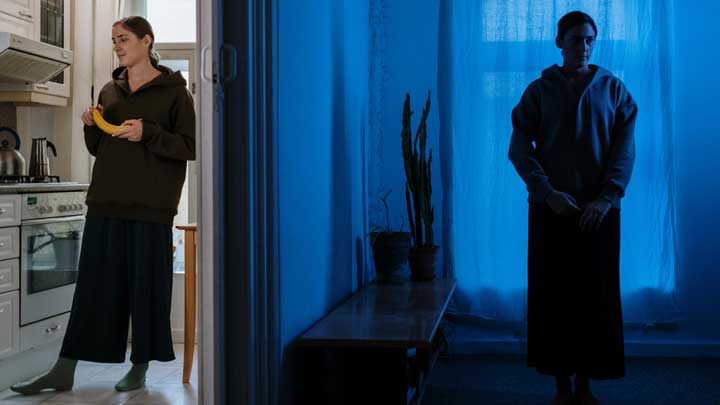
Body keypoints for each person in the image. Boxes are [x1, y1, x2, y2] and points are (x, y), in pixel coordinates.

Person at [11, 16, 195, 394]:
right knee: (92, 290)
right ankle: (64, 369)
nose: (118, 46)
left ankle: (140, 367)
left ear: (146, 41)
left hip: (150, 207)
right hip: (104, 202)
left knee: (145, 290)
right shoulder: (111, 90)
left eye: (124, 39)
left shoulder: (175, 93)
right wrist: (91, 127)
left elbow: (188, 147)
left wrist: (150, 132)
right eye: (114, 41)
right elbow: (100, 148)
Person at [508, 10, 637, 405]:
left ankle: (585, 386)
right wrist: (547, 193)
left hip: (598, 214)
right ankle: (561, 389)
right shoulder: (539, 90)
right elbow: (518, 149)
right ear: (559, 42)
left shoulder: (614, 90)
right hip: (551, 212)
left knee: (593, 300)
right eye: (576, 39)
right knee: (554, 300)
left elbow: (623, 151)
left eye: (589, 40)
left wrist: (606, 198)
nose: (583, 46)